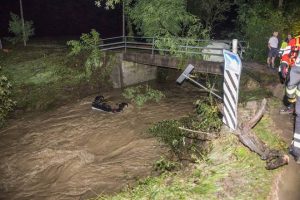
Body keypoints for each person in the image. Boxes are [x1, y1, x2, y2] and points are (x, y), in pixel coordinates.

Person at [279, 34, 300, 163]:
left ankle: (297, 151)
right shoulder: (295, 41)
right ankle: (297, 150)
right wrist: (284, 65)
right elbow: (286, 54)